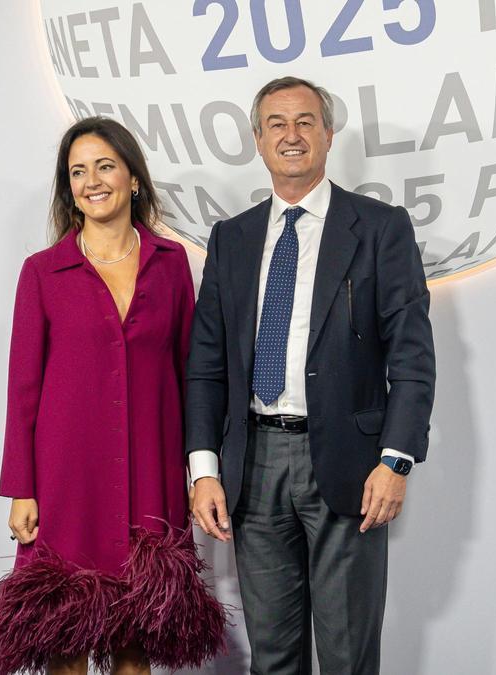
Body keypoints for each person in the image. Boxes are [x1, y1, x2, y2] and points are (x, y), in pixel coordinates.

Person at [187, 77, 436, 674]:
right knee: (271, 656)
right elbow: (206, 366)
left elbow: (412, 355)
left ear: (328, 134)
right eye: (276, 124)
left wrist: (396, 459)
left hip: (351, 464)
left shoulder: (379, 228)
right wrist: (203, 469)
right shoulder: (232, 239)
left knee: (348, 655)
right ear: (257, 139)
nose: (291, 136)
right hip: (254, 465)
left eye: (305, 122)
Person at [0, 117, 226, 675]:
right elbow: (23, 389)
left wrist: (201, 470)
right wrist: (21, 490)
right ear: (69, 188)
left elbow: (192, 374)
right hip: (66, 479)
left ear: (133, 178)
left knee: (136, 640)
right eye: (77, 171)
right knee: (67, 635)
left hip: (151, 474)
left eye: (105, 165)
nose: (92, 180)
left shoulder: (172, 264)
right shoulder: (42, 273)